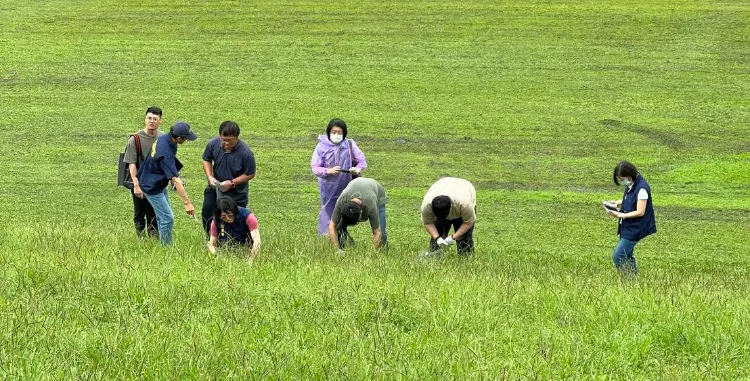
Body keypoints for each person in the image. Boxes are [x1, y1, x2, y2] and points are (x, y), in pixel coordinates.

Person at [137, 121, 198, 245]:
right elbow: (175, 179)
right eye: (185, 138)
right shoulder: (166, 154)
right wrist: (187, 203)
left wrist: (172, 178)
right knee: (167, 218)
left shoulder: (166, 138)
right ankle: (166, 248)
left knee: (162, 217)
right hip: (151, 186)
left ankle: (161, 242)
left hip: (156, 181)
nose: (186, 140)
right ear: (179, 138)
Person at [311, 118, 368, 235]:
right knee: (327, 211)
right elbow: (315, 167)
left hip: (345, 185)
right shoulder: (321, 147)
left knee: (344, 211)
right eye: (334, 132)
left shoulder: (349, 144)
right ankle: (325, 236)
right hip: (327, 187)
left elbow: (361, 161)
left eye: (339, 132)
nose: (336, 135)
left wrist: (356, 169)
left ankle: (341, 235)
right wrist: (328, 171)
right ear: (329, 132)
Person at [201, 121, 256, 236]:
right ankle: (210, 240)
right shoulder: (213, 144)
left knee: (233, 218)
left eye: (229, 140)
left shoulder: (246, 153)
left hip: (236, 192)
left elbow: (250, 174)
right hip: (215, 187)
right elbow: (206, 159)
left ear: (236, 138)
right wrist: (210, 176)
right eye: (223, 139)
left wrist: (231, 183)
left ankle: (234, 241)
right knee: (207, 212)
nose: (225, 143)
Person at [604, 161, 657, 276]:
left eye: (621, 178)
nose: (621, 180)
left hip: (635, 228)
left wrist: (620, 215)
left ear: (628, 176)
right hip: (627, 226)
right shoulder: (631, 184)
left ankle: (629, 279)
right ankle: (633, 280)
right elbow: (631, 199)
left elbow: (640, 211)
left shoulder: (642, 189)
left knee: (619, 256)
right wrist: (617, 203)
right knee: (627, 255)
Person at [123, 106, 165, 237]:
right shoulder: (135, 139)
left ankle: (153, 239)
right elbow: (131, 163)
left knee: (154, 213)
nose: (151, 121)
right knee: (139, 213)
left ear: (160, 121)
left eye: (155, 119)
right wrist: (136, 184)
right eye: (149, 118)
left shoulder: (163, 138)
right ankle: (140, 239)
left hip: (156, 183)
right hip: (140, 181)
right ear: (145, 119)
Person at [420, 177, 477, 256]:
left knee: (464, 238)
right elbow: (427, 223)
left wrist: (453, 237)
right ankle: (434, 259)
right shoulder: (427, 205)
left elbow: (468, 223)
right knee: (438, 232)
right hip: (444, 184)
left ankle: (466, 259)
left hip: (463, 188)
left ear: (451, 207)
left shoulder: (464, 204)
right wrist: (437, 238)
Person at [328, 178, 387, 251]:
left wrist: (371, 255)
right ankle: (343, 248)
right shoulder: (341, 201)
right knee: (339, 227)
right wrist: (336, 250)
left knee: (382, 234)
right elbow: (332, 226)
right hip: (356, 184)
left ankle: (384, 250)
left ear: (361, 213)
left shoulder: (371, 205)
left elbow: (377, 232)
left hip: (377, 193)